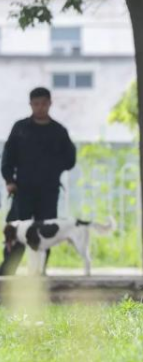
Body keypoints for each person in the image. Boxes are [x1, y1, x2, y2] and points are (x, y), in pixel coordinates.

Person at [0, 87, 76, 275]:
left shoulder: (58, 131)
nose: (40, 108)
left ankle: (39, 271)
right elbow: (7, 157)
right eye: (36, 104)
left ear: (50, 103)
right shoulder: (20, 129)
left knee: (45, 232)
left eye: (44, 103)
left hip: (49, 190)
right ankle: (7, 271)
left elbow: (70, 159)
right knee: (16, 231)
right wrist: (9, 180)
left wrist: (54, 168)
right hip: (22, 188)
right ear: (30, 105)